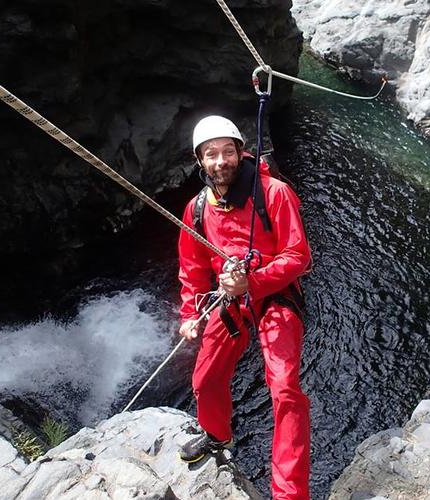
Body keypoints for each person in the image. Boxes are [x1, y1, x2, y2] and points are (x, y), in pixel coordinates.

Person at [177, 115, 312, 500]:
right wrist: (190, 313)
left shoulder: (274, 194)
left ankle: (290, 493)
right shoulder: (198, 208)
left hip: (274, 297)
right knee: (205, 379)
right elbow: (193, 267)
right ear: (200, 161)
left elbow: (298, 255)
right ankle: (217, 434)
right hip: (230, 301)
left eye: (227, 152)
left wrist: (253, 282)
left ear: (241, 152)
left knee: (285, 389)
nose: (221, 161)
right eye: (211, 155)